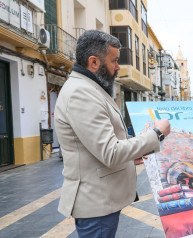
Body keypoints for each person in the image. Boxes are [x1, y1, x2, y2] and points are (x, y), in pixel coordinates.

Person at [54, 30, 170, 237]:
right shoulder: (81, 93)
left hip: (101, 201)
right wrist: (157, 134)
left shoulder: (90, 88)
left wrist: (130, 157)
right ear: (94, 62)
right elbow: (110, 151)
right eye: (114, 61)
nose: (118, 67)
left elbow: (100, 145)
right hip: (96, 205)